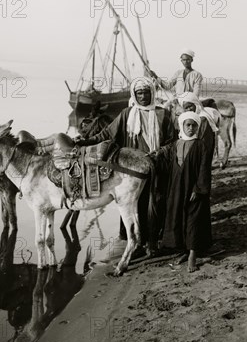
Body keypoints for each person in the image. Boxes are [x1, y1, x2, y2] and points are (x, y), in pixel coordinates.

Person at [75, 76, 175, 253]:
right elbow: (106, 135)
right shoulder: (127, 114)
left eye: (146, 92)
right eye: (139, 93)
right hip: (130, 171)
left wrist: (158, 153)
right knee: (131, 205)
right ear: (134, 95)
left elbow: (172, 141)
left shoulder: (163, 115)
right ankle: (134, 243)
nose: (143, 96)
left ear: (152, 93)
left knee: (155, 203)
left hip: (156, 166)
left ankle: (152, 242)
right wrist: (84, 142)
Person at [155, 111, 212, 272]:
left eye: (194, 125)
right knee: (178, 217)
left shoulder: (201, 146)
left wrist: (199, 189)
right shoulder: (175, 145)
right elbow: (168, 166)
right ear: (182, 126)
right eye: (188, 125)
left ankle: (193, 255)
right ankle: (183, 250)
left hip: (194, 189)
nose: (191, 128)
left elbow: (204, 170)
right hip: (177, 188)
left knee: (193, 220)